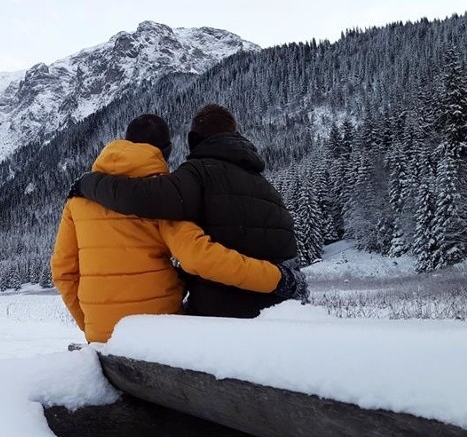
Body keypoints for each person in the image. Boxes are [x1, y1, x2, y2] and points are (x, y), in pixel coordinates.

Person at [51, 114, 304, 343]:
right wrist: (277, 278)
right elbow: (199, 258)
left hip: (101, 334)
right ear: (166, 152)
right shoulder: (164, 198)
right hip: (158, 331)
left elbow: (63, 272)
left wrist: (92, 327)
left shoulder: (78, 201)